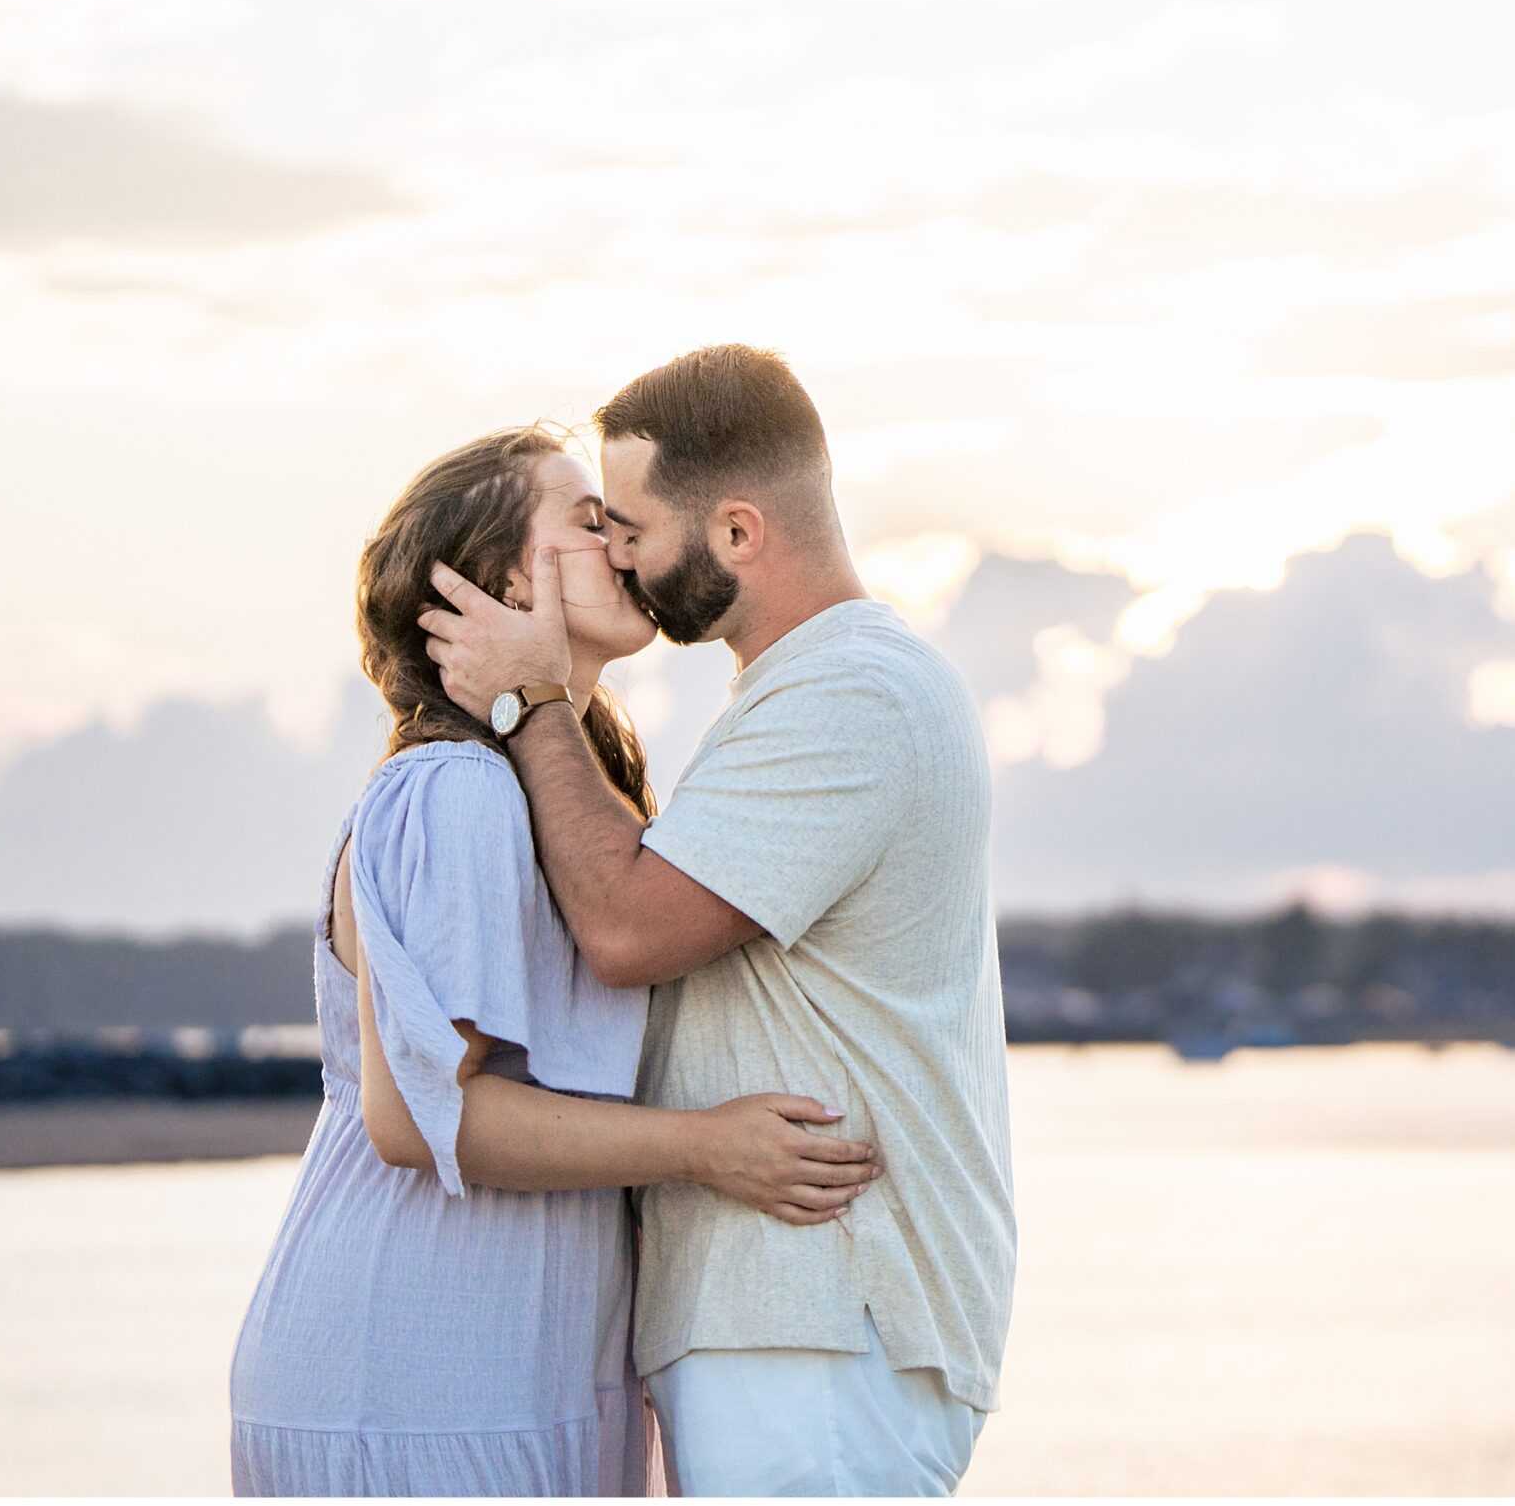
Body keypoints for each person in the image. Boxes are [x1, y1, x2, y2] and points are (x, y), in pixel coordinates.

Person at [229, 424, 883, 1497]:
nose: (626, 545)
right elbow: (416, 1117)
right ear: (490, 583)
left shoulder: (561, 800)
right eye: (589, 524)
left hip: (516, 1368)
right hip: (411, 1379)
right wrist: (706, 1149)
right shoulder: (456, 791)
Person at [419, 346, 1017, 1496]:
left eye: (632, 526)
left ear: (738, 533)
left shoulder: (852, 695)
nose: (621, 557)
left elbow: (630, 930)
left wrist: (531, 698)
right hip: (800, 1325)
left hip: (824, 1322)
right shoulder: (809, 692)